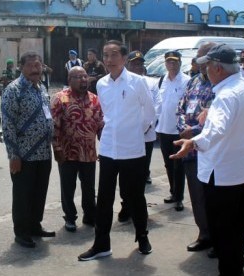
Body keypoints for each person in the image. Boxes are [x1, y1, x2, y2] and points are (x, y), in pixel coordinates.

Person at [171, 44, 244, 276]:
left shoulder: (226, 95)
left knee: (223, 228)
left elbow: (218, 130)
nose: (206, 71)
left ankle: (229, 270)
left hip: (221, 173)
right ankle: (236, 265)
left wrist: (194, 142)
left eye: (208, 66)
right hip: (239, 171)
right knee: (237, 225)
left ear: (218, 68)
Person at [78, 40, 156, 261]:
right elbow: (106, 115)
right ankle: (101, 244)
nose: (109, 60)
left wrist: (134, 133)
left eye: (114, 55)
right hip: (109, 150)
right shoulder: (102, 84)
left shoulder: (138, 82)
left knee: (135, 197)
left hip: (132, 150)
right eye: (106, 55)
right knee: (104, 198)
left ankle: (142, 236)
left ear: (123, 58)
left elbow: (150, 114)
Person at [1, 51, 55, 248]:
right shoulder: (14, 90)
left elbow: (47, 116)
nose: (35, 69)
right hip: (23, 155)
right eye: (31, 65)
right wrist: (13, 155)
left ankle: (34, 225)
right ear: (21, 67)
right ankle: (22, 232)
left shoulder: (41, 88)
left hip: (43, 152)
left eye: (38, 65)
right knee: (23, 194)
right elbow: (8, 125)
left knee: (39, 192)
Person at [51, 66, 104, 232]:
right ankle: (70, 218)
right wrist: (57, 148)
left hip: (88, 153)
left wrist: (106, 147)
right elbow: (54, 126)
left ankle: (90, 216)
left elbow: (101, 124)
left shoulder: (95, 99)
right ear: (69, 80)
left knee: (89, 187)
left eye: (84, 77)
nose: (83, 80)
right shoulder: (60, 98)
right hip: (67, 152)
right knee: (68, 187)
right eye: (78, 77)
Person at [176, 42, 216, 253]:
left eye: (206, 58)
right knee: (197, 195)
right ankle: (204, 234)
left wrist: (195, 130)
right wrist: (184, 127)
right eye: (199, 59)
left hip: (212, 152)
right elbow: (180, 108)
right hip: (190, 151)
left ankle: (219, 238)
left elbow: (218, 119)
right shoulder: (192, 82)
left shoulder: (221, 85)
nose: (202, 63)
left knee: (215, 197)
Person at [118, 50, 158, 223]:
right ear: (128, 65)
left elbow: (154, 109)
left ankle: (137, 206)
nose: (138, 67)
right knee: (124, 174)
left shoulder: (152, 83)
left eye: (141, 64)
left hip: (145, 136)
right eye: (135, 64)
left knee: (140, 174)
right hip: (125, 137)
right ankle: (126, 205)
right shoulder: (120, 81)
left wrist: (140, 130)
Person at [156, 50, 190, 211]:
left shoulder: (186, 81)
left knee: (179, 165)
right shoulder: (162, 80)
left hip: (178, 130)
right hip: (163, 128)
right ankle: (172, 192)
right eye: (169, 62)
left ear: (180, 63)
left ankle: (179, 197)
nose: (171, 64)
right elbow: (158, 104)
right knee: (168, 163)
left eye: (174, 62)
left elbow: (188, 105)